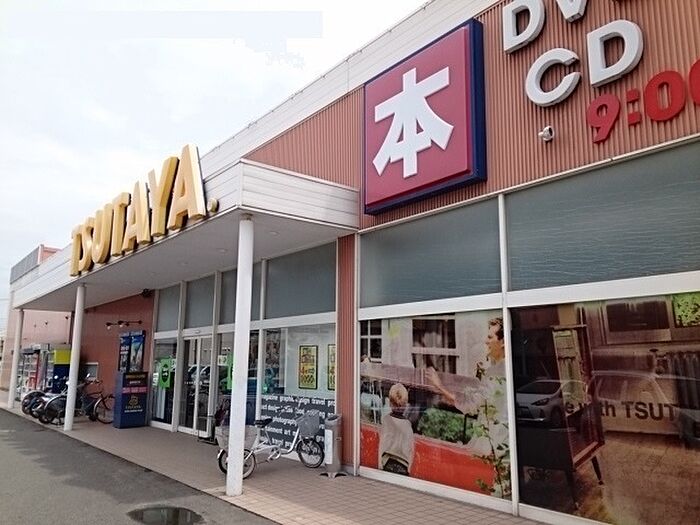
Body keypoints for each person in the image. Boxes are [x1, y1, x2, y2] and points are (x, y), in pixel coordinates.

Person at [378, 382, 415, 476]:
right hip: (403, 464)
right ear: (406, 405)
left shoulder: (387, 420)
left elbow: (382, 442)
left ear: (390, 403)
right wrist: (409, 467)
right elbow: (411, 448)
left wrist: (379, 462)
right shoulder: (407, 424)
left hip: (388, 461)